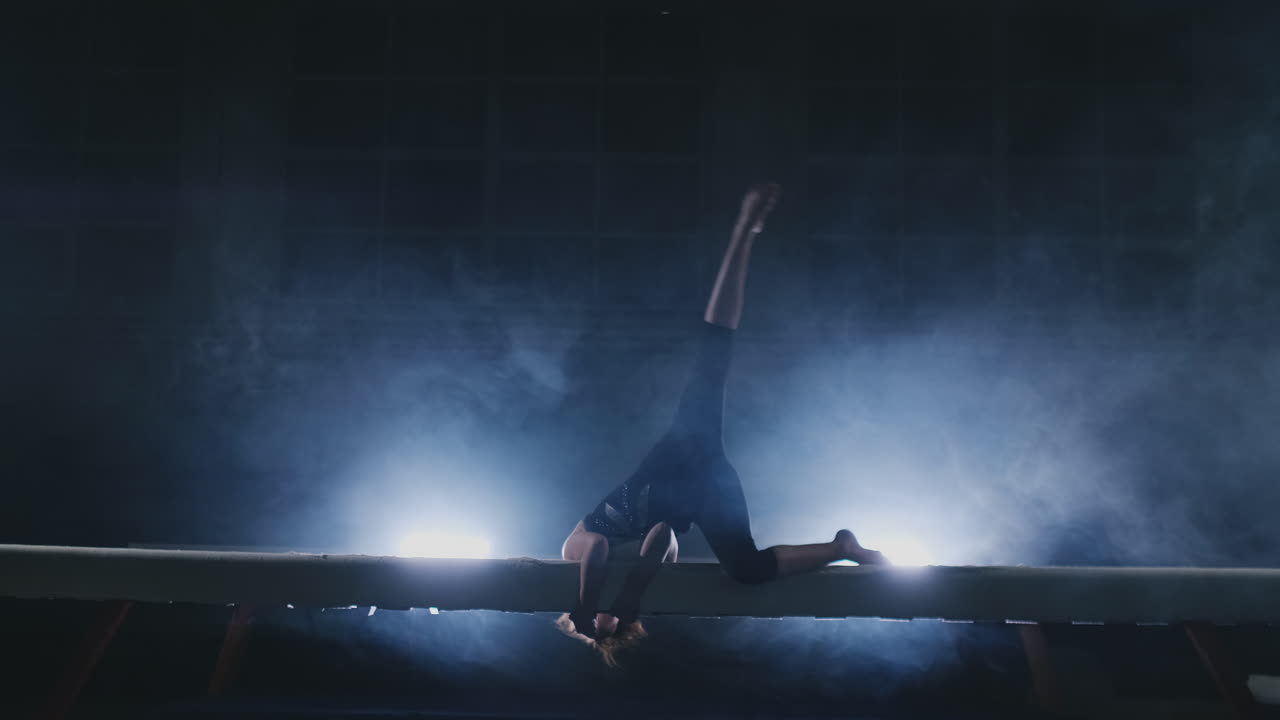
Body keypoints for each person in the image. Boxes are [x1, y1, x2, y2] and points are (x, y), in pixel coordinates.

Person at [557, 183, 887, 665]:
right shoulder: (636, 589)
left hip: (675, 459)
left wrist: (588, 604)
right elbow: (663, 536)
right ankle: (842, 546)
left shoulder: (573, 547)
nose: (609, 618)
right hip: (703, 484)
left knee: (713, 354)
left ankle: (743, 232)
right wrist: (632, 597)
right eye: (615, 625)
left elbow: (599, 547)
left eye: (599, 627)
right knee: (746, 569)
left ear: (586, 623)